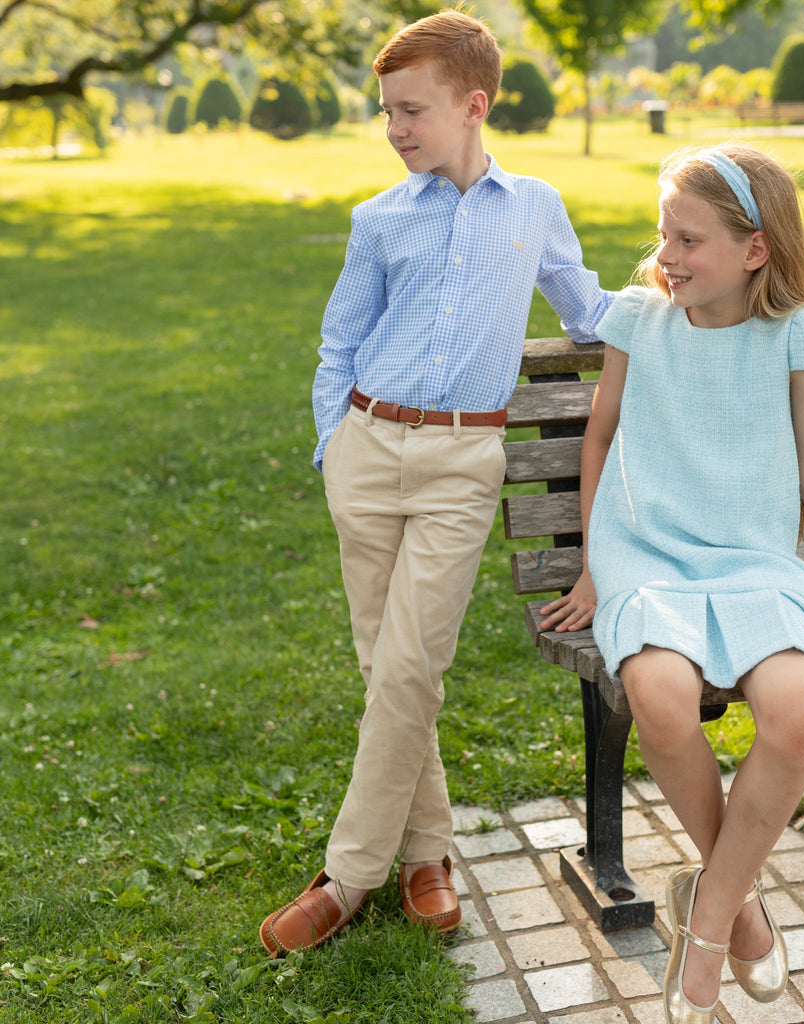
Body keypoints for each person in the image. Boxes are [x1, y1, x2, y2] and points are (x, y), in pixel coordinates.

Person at [258, 9, 612, 957]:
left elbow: (588, 312)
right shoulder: (379, 219)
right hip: (369, 451)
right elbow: (339, 341)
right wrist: (337, 447)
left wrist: (691, 293)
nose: (395, 128)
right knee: (388, 670)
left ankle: (348, 876)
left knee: (412, 668)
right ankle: (429, 857)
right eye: (386, 113)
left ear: (473, 104)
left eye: (412, 110)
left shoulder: (533, 206)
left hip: (464, 463)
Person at [538, 143, 804, 1023]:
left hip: (753, 560)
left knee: (797, 710)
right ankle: (734, 917)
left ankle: (705, 912)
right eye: (665, 233)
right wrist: (595, 563)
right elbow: (599, 440)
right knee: (658, 696)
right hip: (647, 553)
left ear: (755, 249)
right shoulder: (639, 318)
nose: (669, 255)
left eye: (690, 239)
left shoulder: (803, 330)